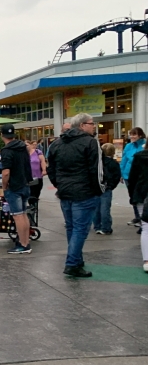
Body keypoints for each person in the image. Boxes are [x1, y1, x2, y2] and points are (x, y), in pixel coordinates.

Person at [47, 113, 104, 277]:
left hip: (65, 191)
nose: (94, 126)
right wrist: (99, 189)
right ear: (82, 125)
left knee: (72, 227)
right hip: (84, 191)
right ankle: (72, 262)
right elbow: (96, 170)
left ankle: (76, 260)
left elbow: (51, 168)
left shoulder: (57, 143)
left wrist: (59, 184)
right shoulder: (90, 142)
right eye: (91, 123)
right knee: (80, 229)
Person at [0, 124, 34, 255]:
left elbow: (6, 172)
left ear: (2, 135)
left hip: (14, 186)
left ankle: (22, 244)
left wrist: (4, 186)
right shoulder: (23, 147)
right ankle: (26, 242)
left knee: (17, 216)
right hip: (25, 184)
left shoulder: (6, 150)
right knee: (24, 214)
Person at [93, 143, 121, 235]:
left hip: (97, 187)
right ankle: (106, 227)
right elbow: (117, 176)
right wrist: (111, 186)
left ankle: (97, 226)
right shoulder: (114, 163)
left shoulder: (97, 162)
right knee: (105, 209)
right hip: (107, 187)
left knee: (96, 208)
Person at [121, 127, 146, 227]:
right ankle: (137, 217)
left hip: (140, 175)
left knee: (142, 197)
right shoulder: (128, 146)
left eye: (134, 134)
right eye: (130, 134)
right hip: (128, 175)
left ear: (140, 135)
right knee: (133, 196)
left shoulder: (145, 145)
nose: (132, 136)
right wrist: (121, 173)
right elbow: (124, 160)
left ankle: (143, 217)